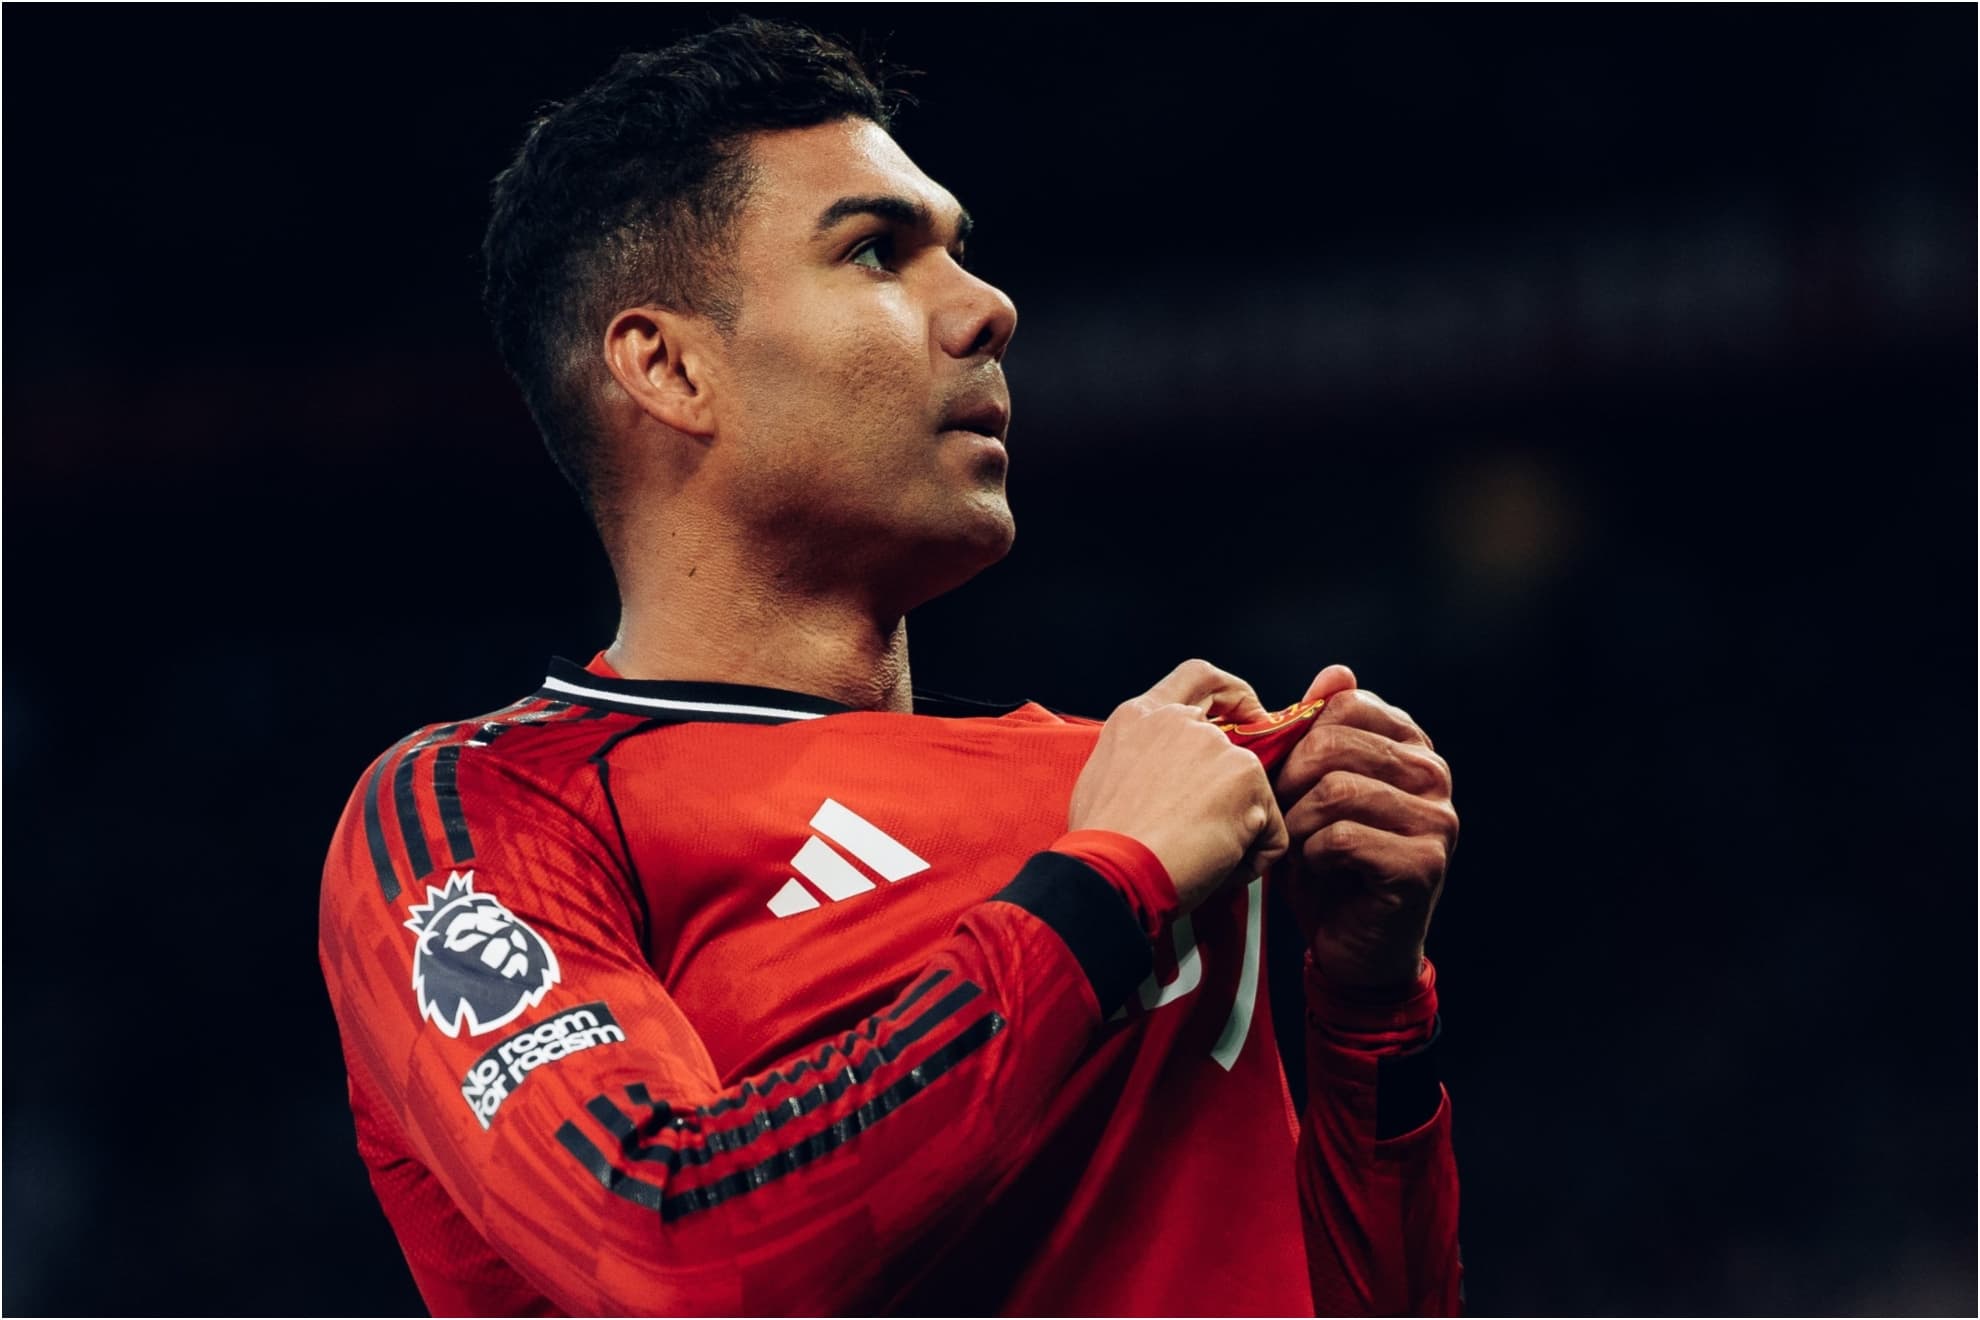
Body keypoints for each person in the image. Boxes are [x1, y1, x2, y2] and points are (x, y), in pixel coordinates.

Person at [318, 17, 1462, 1316]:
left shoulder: (1134, 783)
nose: (987, 309)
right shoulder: (493, 810)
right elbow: (671, 1242)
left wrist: (1370, 1007)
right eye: (875, 252)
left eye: (959, 253)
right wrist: (1109, 889)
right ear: (669, 365)